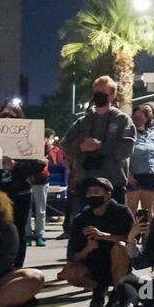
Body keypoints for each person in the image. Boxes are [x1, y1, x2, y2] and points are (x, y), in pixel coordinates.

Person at [61, 76, 136, 233]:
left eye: (103, 91)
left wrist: (100, 147)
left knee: (117, 232)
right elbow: (65, 145)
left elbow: (126, 148)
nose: (98, 95)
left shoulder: (122, 120)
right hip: (86, 186)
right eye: (96, 91)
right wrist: (81, 147)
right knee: (82, 233)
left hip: (113, 185)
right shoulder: (83, 121)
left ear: (112, 95)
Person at [0, 101, 46, 268]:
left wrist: (15, 165)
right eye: (3, 115)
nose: (6, 118)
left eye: (11, 115)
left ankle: (16, 267)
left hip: (20, 192)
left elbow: (38, 165)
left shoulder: (29, 137)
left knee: (18, 232)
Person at [57, 177, 134, 307]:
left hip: (118, 264)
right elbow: (72, 256)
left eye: (97, 192)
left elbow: (131, 240)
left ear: (108, 194)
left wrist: (105, 236)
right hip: (93, 267)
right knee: (69, 271)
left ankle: (117, 292)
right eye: (90, 192)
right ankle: (99, 289)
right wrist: (88, 248)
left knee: (119, 247)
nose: (92, 195)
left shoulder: (122, 212)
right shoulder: (81, 219)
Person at [127, 103, 154, 214]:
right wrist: (128, 174)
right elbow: (123, 156)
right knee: (131, 212)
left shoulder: (153, 135)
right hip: (134, 178)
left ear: (146, 118)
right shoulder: (128, 134)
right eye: (135, 117)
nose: (137, 119)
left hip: (151, 179)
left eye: (140, 116)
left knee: (150, 213)